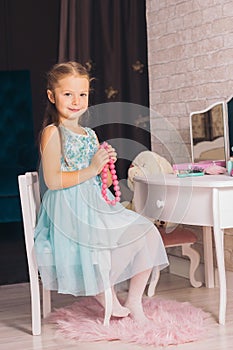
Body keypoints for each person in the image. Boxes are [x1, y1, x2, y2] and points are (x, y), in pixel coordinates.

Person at [34, 61, 169, 323]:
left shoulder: (89, 134)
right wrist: (93, 167)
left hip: (94, 203)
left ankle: (132, 300)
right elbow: (52, 180)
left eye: (82, 94)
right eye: (68, 94)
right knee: (105, 240)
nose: (76, 101)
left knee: (146, 232)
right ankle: (101, 289)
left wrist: (105, 168)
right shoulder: (52, 133)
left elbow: (102, 183)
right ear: (52, 96)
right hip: (68, 209)